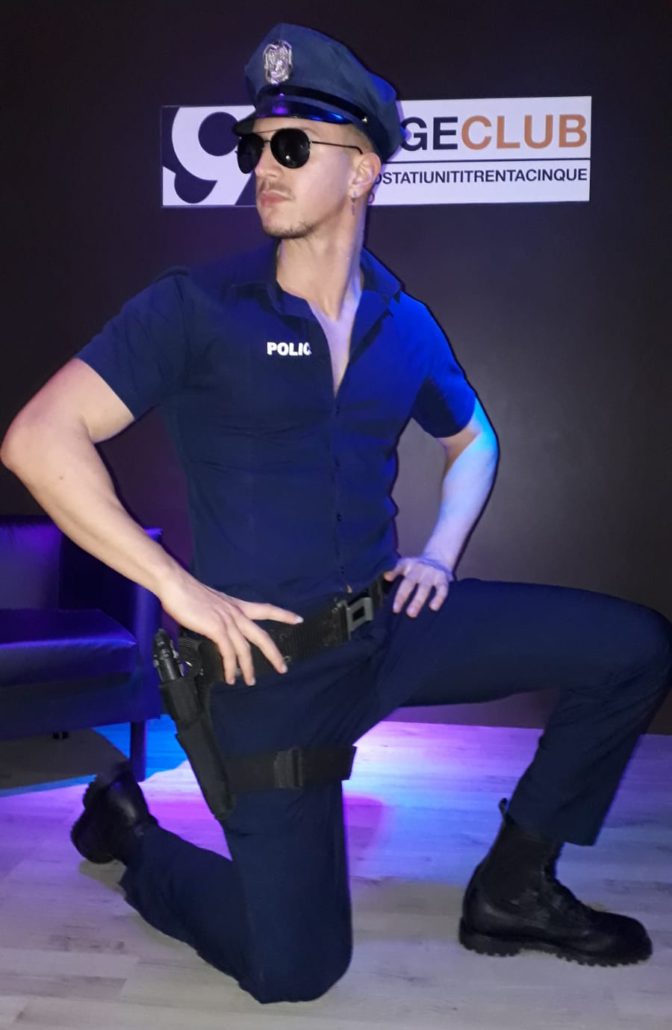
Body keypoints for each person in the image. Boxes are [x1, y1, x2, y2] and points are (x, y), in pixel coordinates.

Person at [2, 22, 671, 1006]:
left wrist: (439, 553)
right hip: (267, 668)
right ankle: (133, 835)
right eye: (254, 143)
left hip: (387, 628)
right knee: (295, 969)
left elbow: (475, 438)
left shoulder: (403, 321)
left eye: (292, 143)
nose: (263, 165)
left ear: (362, 171)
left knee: (633, 647)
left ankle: (514, 885)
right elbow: (38, 438)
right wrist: (177, 589)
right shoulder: (197, 308)